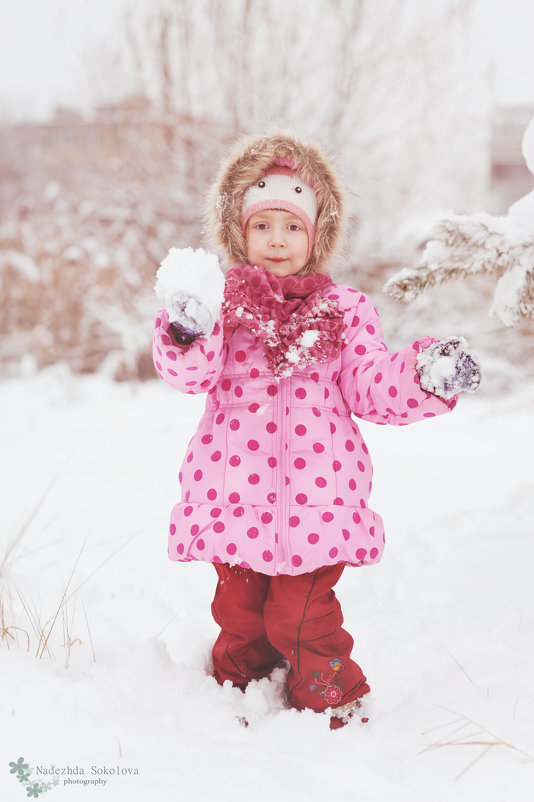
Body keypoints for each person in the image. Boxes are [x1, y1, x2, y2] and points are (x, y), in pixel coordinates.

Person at [152, 130, 480, 729]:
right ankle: (233, 694)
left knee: (302, 617)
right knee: (240, 612)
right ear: (238, 232)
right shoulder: (220, 306)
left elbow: (370, 383)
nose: (277, 240)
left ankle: (334, 698)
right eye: (262, 226)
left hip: (317, 504)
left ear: (317, 234)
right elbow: (192, 374)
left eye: (293, 226)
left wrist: (424, 374)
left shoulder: (344, 310)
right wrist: (185, 330)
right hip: (233, 495)